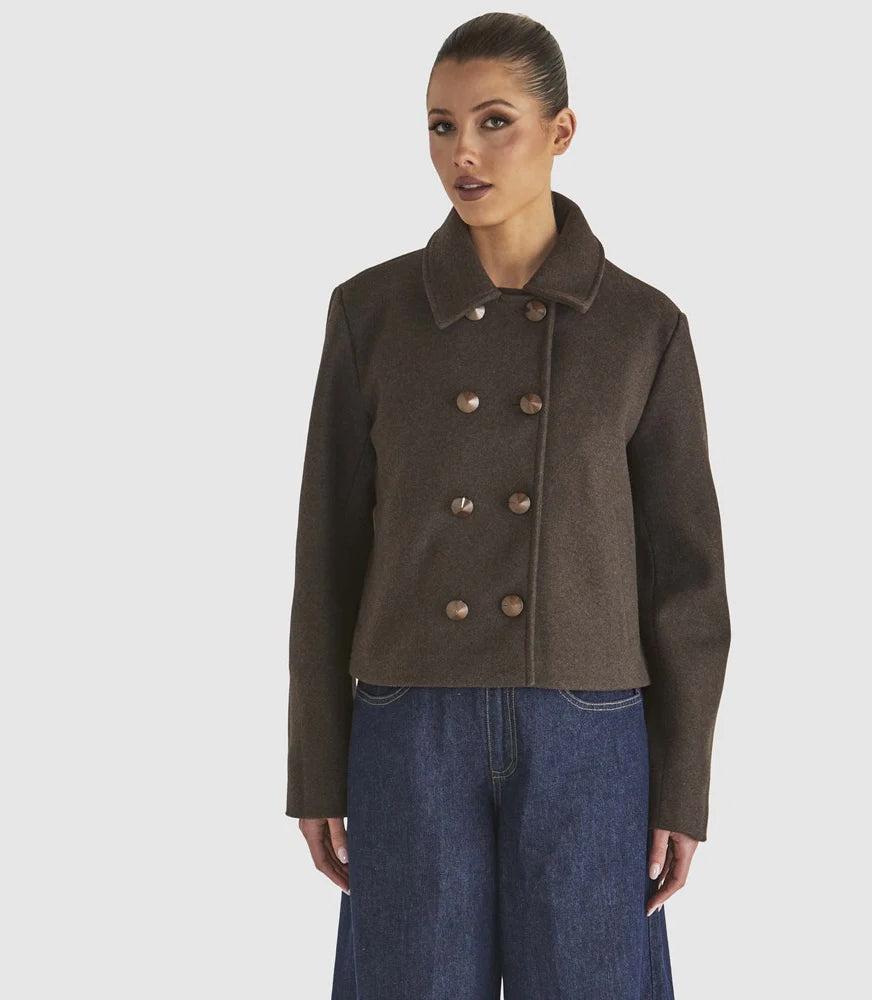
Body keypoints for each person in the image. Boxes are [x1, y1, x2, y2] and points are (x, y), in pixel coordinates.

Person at [286, 12, 731, 999]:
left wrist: (682, 782)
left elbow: (686, 579)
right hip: (408, 719)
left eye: (495, 122)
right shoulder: (370, 314)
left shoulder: (642, 328)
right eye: (441, 125)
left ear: (561, 131)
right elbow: (327, 557)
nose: (464, 153)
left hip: (589, 726)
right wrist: (316, 765)